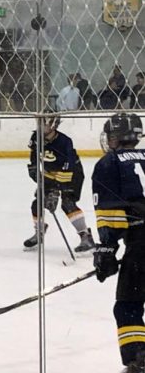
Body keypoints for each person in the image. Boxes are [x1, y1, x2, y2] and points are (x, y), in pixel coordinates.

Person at [92, 112, 145, 372]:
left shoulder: (109, 163)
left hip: (141, 246)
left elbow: (111, 216)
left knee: (128, 305)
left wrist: (106, 252)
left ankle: (138, 360)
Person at [23, 114, 95, 252]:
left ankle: (86, 236)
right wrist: (33, 167)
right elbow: (34, 154)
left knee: (67, 204)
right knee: (37, 203)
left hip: (72, 174)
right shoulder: (35, 137)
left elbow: (68, 165)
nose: (40, 127)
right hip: (50, 173)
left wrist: (55, 190)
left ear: (53, 126)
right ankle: (39, 232)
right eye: (39, 123)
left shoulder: (64, 141)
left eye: (44, 124)